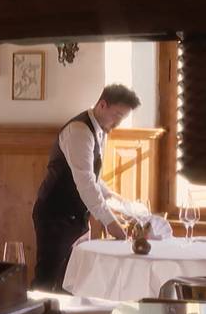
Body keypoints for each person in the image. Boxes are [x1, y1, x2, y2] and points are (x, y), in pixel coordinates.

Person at [32, 83, 141, 292]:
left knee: (72, 280)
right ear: (102, 105)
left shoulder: (101, 131)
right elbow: (85, 182)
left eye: (122, 118)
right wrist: (110, 222)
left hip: (77, 217)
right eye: (117, 115)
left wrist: (119, 201)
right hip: (55, 215)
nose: (118, 122)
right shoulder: (79, 131)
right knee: (47, 280)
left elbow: (93, 178)